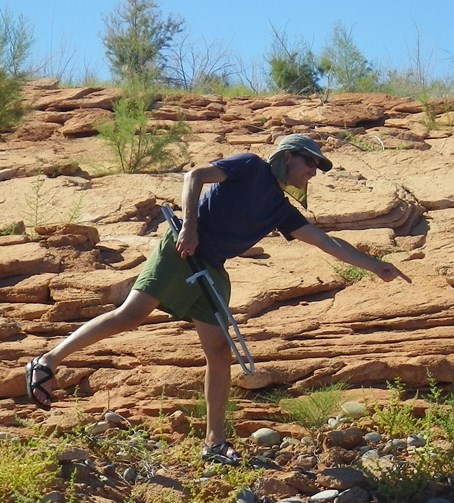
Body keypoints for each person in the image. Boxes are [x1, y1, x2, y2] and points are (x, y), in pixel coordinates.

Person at [25, 134, 411, 464]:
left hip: (212, 268)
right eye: (310, 162)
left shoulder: (280, 209)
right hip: (181, 249)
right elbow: (196, 176)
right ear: (288, 156)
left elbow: (326, 241)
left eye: (317, 166)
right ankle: (46, 361)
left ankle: (214, 442)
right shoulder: (249, 166)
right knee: (132, 315)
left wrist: (376, 265)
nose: (313, 171)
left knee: (219, 351)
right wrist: (190, 225)